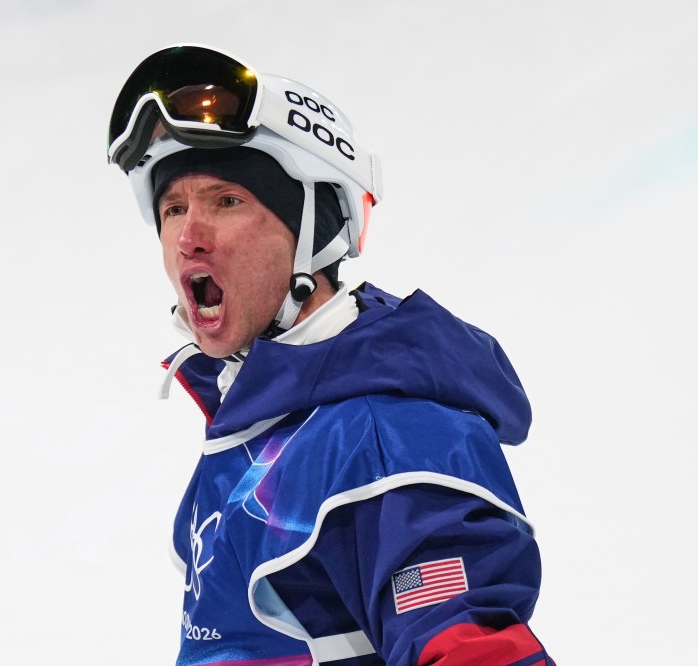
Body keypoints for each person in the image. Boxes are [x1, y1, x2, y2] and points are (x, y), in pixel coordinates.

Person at [106, 44, 555, 666]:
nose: (188, 237)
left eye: (227, 201)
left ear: (313, 231)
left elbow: (470, 648)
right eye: (173, 209)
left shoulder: (385, 441)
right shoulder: (259, 429)